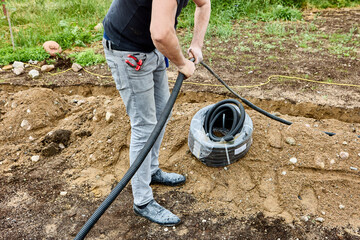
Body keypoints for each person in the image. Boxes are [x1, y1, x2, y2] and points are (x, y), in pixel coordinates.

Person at [102, 0, 210, 226]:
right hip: (127, 50)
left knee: (161, 114)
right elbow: (161, 33)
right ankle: (142, 201)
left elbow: (204, 4)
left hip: (151, 47)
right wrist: (181, 62)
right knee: (144, 126)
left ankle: (150, 170)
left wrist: (196, 45)